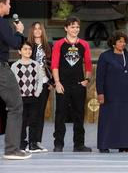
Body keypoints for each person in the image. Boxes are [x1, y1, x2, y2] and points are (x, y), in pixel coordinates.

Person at [51, 16, 92, 152]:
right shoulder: (59, 44)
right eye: (72, 27)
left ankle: (79, 144)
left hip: (78, 85)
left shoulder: (84, 44)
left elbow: (88, 65)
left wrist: (87, 80)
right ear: (66, 28)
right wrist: (57, 82)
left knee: (79, 114)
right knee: (60, 114)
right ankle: (58, 144)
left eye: (77, 27)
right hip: (62, 85)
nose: (75, 29)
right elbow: (54, 65)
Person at [0, 0, 31, 159]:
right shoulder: (2, 23)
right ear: (1, 4)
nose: (10, 5)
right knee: (16, 106)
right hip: (1, 70)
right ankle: (12, 150)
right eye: (8, 2)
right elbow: (15, 44)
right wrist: (19, 31)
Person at [96, 31, 128, 153]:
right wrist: (100, 93)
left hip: (127, 94)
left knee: (125, 121)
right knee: (108, 120)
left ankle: (125, 145)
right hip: (110, 94)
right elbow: (100, 76)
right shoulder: (105, 56)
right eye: (120, 41)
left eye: (124, 41)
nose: (123, 43)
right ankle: (104, 145)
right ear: (113, 43)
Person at [11, 41, 43, 153]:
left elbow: (40, 80)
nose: (28, 51)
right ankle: (21, 144)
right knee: (22, 121)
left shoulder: (36, 65)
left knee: (34, 120)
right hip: (21, 98)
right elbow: (12, 83)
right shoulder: (15, 66)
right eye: (25, 49)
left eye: (29, 49)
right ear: (20, 51)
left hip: (33, 97)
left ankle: (32, 144)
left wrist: (38, 92)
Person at [27, 21, 53, 152]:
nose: (37, 31)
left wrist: (51, 82)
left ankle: (37, 141)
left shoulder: (48, 47)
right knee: (32, 113)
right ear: (32, 31)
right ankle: (29, 142)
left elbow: (52, 65)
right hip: (31, 84)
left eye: (40, 29)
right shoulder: (28, 46)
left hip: (44, 82)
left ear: (43, 31)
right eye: (35, 29)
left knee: (40, 113)